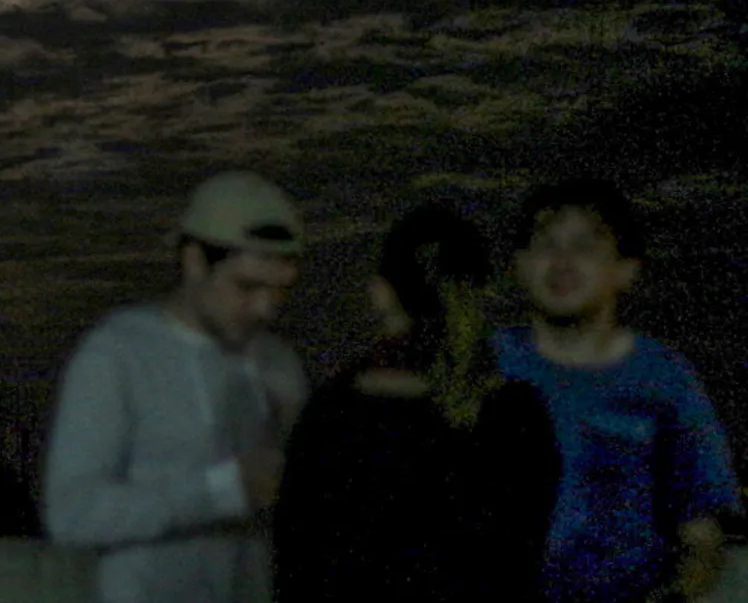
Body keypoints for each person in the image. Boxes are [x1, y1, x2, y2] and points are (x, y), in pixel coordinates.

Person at [42, 170, 308, 603]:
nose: (265, 308)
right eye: (247, 287)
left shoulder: (279, 363)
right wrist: (224, 490)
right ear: (194, 260)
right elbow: (73, 515)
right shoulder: (117, 354)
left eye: (280, 291)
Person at [276, 203, 560, 603]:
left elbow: (297, 560)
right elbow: (521, 563)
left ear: (380, 292)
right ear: (479, 290)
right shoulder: (518, 415)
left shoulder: (335, 411)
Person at [495, 178, 742, 603]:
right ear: (517, 264)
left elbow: (701, 535)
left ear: (627, 269)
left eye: (585, 247)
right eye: (546, 244)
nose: (562, 262)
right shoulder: (480, 365)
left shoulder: (664, 379)